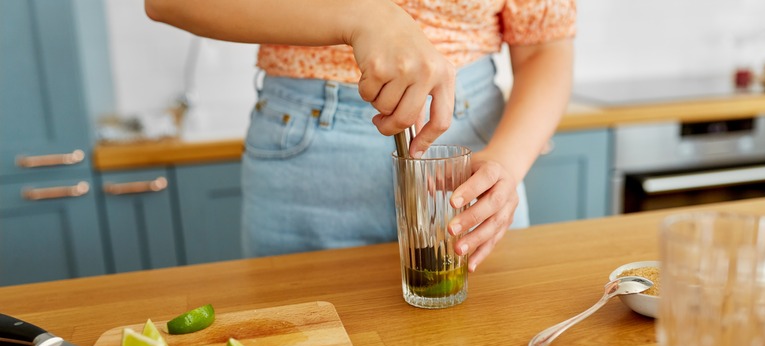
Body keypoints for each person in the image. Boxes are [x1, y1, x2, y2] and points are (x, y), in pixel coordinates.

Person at [145, 0, 576, 272]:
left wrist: (507, 161)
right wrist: (362, 14)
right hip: (305, 159)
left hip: (473, 153)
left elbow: (543, 44)